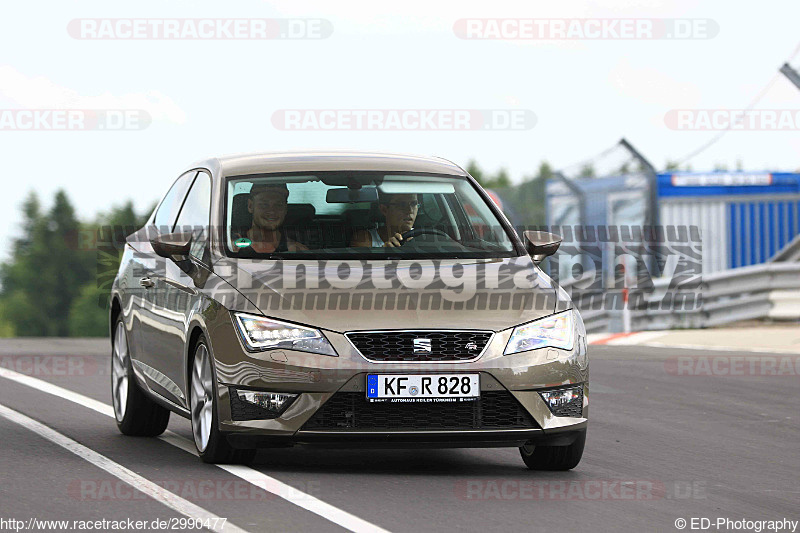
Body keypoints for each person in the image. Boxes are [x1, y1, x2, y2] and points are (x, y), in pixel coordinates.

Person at [237, 183, 308, 252]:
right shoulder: (231, 249)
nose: (272, 211)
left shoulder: (298, 252)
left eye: (278, 205)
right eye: (264, 205)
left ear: (285, 208)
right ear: (250, 206)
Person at [350, 192, 419, 248]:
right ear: (384, 210)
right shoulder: (364, 239)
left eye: (414, 204)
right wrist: (383, 254)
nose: (410, 210)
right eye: (402, 205)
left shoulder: (423, 237)